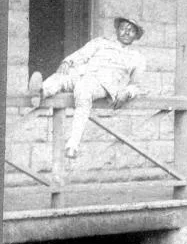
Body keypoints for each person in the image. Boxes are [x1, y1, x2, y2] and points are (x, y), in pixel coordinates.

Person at [28, 16, 146, 159]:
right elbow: (82, 54)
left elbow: (136, 85)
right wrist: (67, 61)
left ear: (136, 36)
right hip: (83, 73)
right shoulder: (101, 42)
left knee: (83, 91)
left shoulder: (137, 57)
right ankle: (39, 92)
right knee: (60, 77)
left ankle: (73, 145)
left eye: (131, 30)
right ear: (117, 30)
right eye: (123, 28)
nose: (126, 33)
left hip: (103, 84)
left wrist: (127, 93)